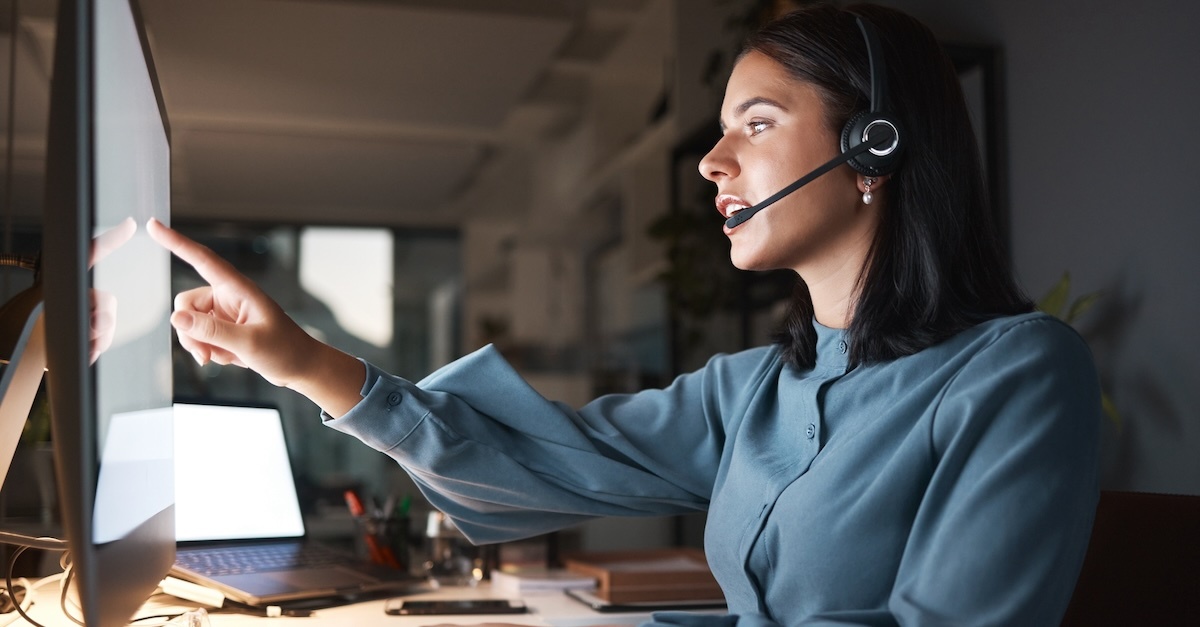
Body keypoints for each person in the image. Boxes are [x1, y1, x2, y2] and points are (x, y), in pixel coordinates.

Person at [148, 3, 1102, 625]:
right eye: (721, 129)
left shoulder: (1018, 372)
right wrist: (297, 357)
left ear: (871, 149)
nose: (711, 162)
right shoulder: (755, 389)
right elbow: (541, 462)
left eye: (756, 125)